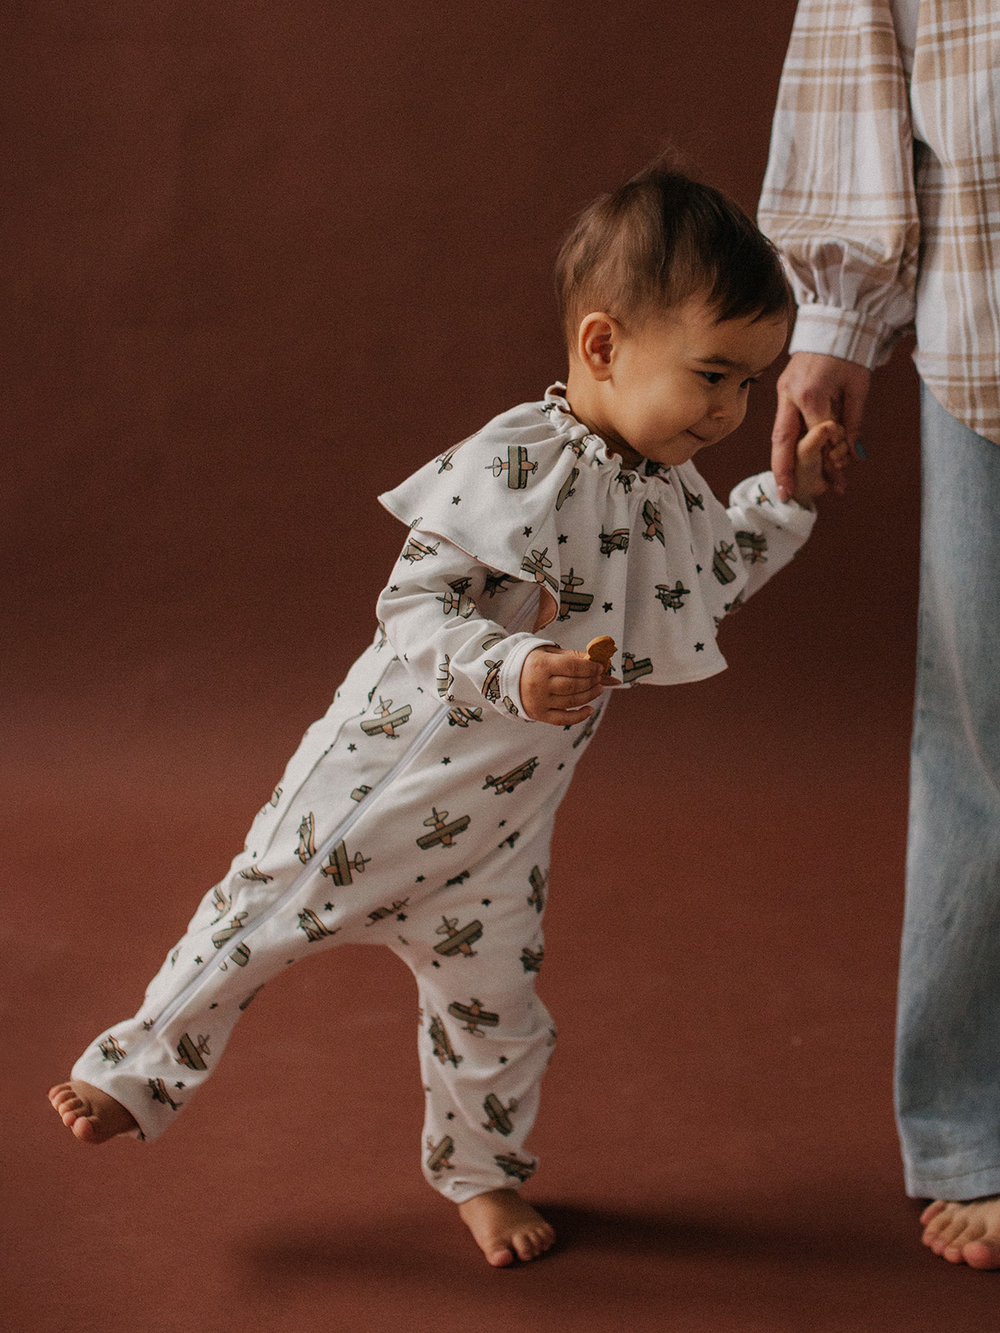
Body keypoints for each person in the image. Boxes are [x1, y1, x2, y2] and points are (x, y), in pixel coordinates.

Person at [48, 161, 847, 1267]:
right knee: (249, 923)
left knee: (500, 1023)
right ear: (604, 345)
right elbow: (412, 607)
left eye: (750, 385)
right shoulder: (517, 457)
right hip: (373, 790)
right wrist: (513, 669)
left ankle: (480, 1175)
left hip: (497, 837)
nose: (729, 409)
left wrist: (785, 497)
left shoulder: (662, 490)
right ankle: (131, 1069)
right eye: (713, 375)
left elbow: (703, 581)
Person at [758, 0, 1000, 1270]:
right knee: (982, 743)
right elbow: (861, 38)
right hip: (993, 342)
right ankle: (978, 1125)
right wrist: (834, 319)